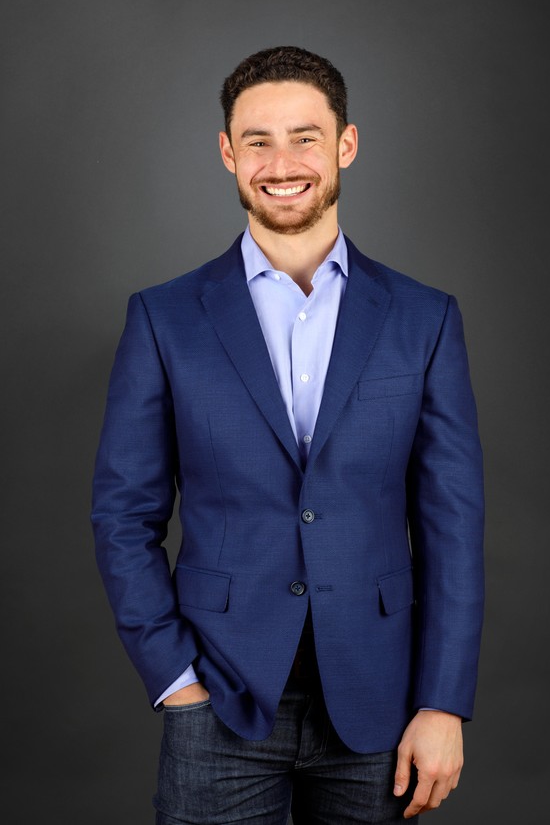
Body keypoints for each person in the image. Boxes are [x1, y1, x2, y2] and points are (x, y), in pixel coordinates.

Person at [91, 46, 484, 824]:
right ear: (227, 152)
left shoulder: (423, 318)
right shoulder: (163, 318)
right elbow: (122, 514)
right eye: (258, 141)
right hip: (218, 696)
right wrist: (176, 680)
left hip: (379, 701)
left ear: (345, 144)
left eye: (305, 138)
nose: (281, 164)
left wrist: (443, 702)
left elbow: (452, 523)